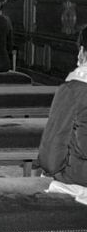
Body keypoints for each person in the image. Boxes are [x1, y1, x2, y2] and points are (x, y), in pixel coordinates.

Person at [37, 26, 87, 187]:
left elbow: (51, 156)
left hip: (80, 178)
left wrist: (50, 172)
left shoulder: (73, 90)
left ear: (82, 51)